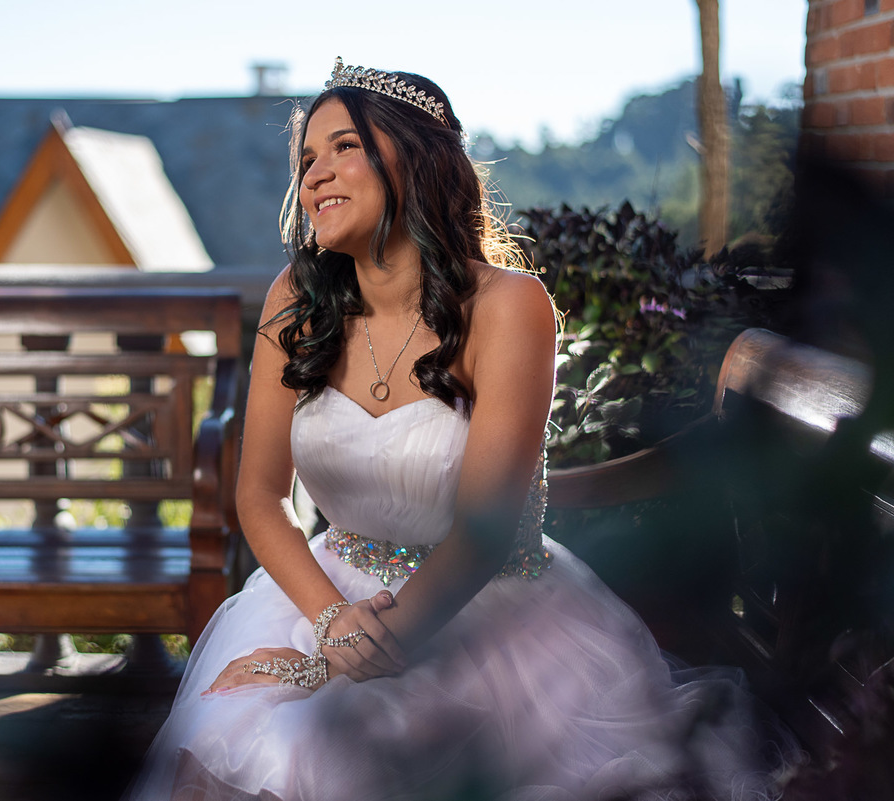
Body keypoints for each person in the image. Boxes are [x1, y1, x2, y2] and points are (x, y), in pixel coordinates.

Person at [128, 58, 778, 801]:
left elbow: (483, 530)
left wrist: (335, 662)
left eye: (344, 146)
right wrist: (330, 625)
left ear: (417, 159)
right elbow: (260, 497)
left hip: (480, 609)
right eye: (306, 159)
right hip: (324, 594)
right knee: (230, 738)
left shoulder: (509, 305)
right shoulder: (294, 299)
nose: (314, 175)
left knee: (335, 754)